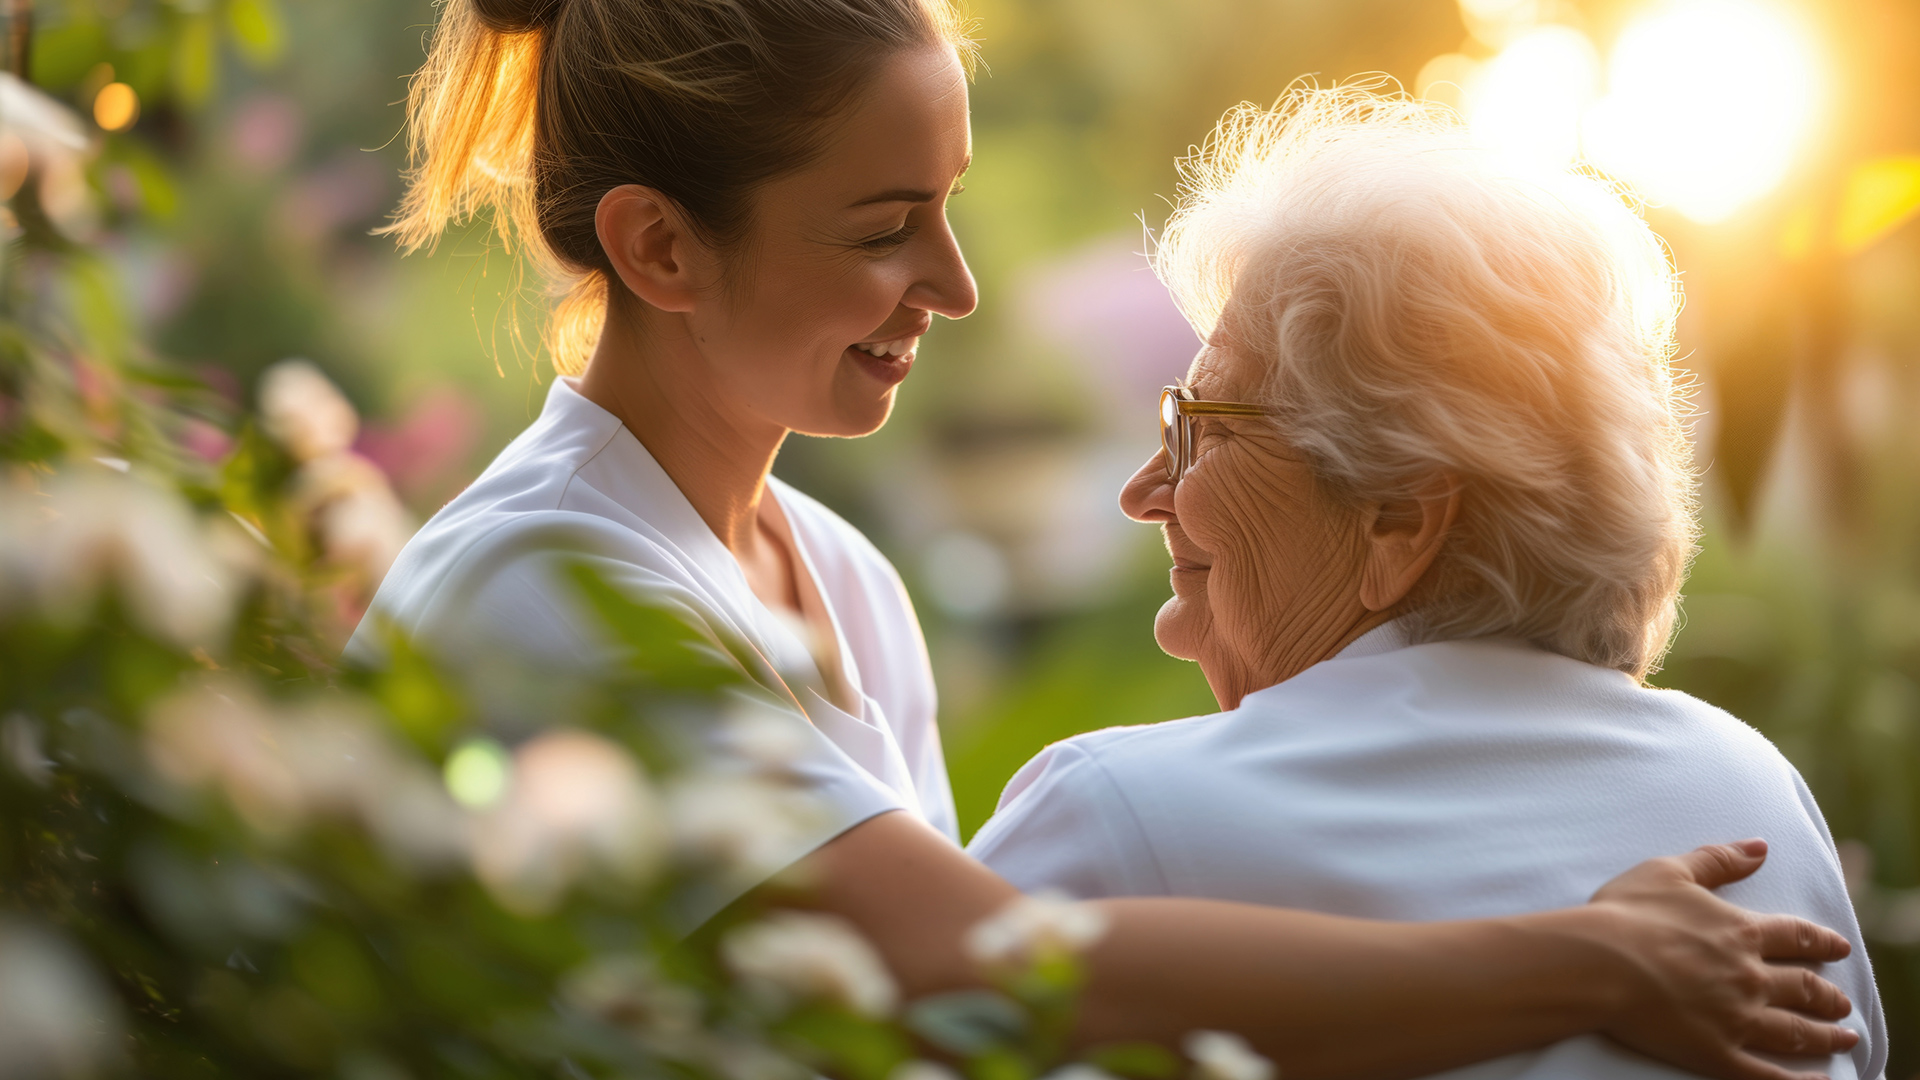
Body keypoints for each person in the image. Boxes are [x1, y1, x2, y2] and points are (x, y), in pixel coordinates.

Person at [350, 2, 1862, 1076]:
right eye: (883, 228)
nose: (954, 282)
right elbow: (979, 970)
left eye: (945, 208)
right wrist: (1583, 961)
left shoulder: (854, 587)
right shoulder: (540, 582)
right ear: (660, 247)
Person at [966, 87, 1885, 1080]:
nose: (1144, 492)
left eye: (1206, 429)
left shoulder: (1120, 820)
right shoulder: (1749, 792)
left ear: (1400, 518)